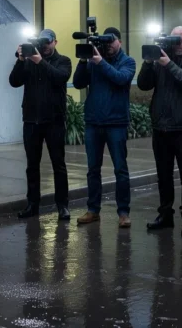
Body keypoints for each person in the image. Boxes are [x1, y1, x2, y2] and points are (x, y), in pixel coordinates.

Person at [138, 26, 182, 235]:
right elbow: (143, 85)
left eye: (179, 40)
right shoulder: (160, 60)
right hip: (161, 126)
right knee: (164, 174)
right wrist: (149, 62)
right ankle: (165, 214)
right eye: (173, 39)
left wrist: (167, 63)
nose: (176, 43)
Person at [72, 27, 136, 228]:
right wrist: (84, 60)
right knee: (93, 170)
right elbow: (78, 83)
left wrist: (100, 62)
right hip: (94, 122)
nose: (109, 45)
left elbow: (120, 79)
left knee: (120, 169)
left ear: (120, 42)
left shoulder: (128, 61)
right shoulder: (93, 61)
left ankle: (124, 212)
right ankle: (93, 210)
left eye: (112, 41)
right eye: (106, 42)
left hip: (116, 123)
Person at [9, 29, 72, 221]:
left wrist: (39, 61)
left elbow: (59, 78)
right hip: (31, 120)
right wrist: (20, 60)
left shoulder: (64, 61)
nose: (44, 46)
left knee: (58, 164)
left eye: (48, 42)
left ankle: (62, 205)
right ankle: (32, 204)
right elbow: (14, 81)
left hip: (54, 120)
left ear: (55, 42)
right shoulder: (28, 61)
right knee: (32, 166)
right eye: (42, 43)